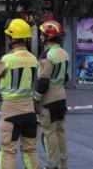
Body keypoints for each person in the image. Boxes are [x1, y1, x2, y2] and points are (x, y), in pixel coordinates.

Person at [0, 19, 41, 169]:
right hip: (29, 111)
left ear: (11, 38)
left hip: (10, 111)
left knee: (8, 151)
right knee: (30, 149)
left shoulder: (8, 59)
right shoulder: (33, 59)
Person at [34, 19, 69, 169]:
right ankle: (63, 164)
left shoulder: (47, 55)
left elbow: (43, 81)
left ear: (48, 37)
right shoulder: (64, 53)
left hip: (48, 100)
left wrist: (35, 99)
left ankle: (53, 165)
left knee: (49, 133)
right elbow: (65, 77)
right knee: (60, 131)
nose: (40, 36)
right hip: (61, 97)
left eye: (42, 34)